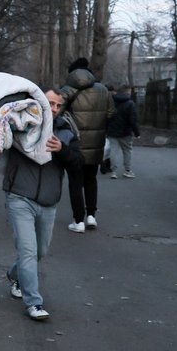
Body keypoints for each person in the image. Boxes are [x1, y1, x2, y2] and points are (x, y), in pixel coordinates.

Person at [4, 88, 83, 321]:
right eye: (50, 103)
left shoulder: (65, 132)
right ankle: (34, 303)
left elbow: (79, 163)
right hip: (19, 196)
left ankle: (14, 274)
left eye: (59, 105)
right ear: (38, 101)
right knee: (28, 251)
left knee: (40, 251)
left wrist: (62, 151)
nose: (55, 108)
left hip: (48, 201)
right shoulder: (20, 122)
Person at [59, 57, 114, 233]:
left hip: (75, 144)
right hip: (96, 143)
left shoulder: (67, 90)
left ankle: (78, 221)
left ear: (72, 73)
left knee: (75, 182)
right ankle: (91, 216)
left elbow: (55, 112)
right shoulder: (103, 89)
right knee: (91, 180)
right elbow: (111, 113)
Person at [107, 84, 141, 179]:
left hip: (112, 131)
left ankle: (114, 171)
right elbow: (133, 120)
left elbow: (106, 116)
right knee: (127, 151)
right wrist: (137, 133)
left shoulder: (111, 102)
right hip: (126, 132)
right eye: (130, 92)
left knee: (113, 151)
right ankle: (127, 170)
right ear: (127, 92)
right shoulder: (130, 103)